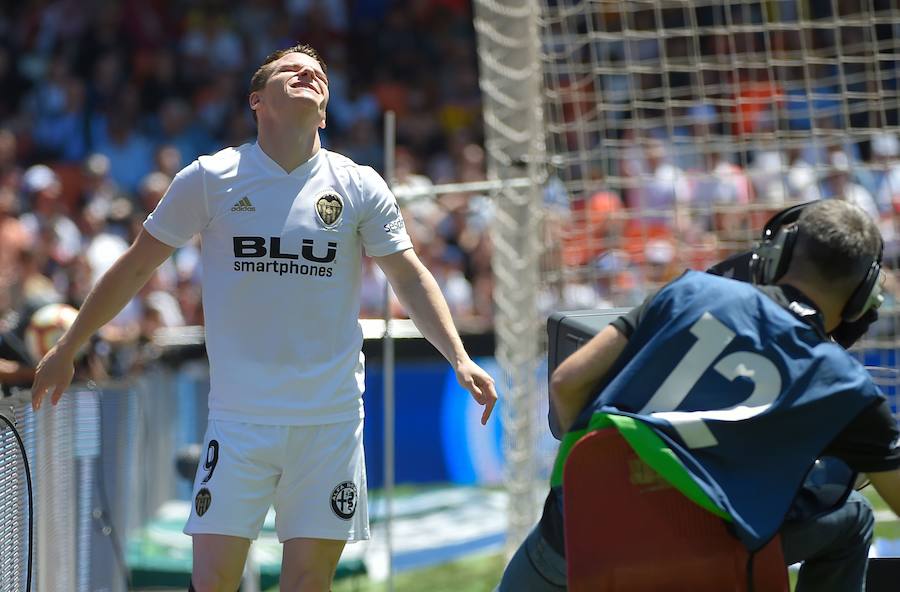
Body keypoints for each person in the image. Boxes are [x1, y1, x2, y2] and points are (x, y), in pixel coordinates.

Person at [31, 43, 498, 592]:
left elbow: (410, 276)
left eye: (318, 74)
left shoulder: (359, 185)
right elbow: (135, 268)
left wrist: (460, 357)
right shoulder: (210, 178)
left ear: (324, 110)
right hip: (239, 420)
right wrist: (67, 348)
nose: (308, 75)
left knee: (307, 583)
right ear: (257, 99)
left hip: (329, 420)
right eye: (290, 70)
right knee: (214, 581)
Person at [497, 200, 900, 592]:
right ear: (864, 294)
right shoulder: (844, 383)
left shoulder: (689, 291)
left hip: (580, 538)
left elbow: (568, 382)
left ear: (778, 254)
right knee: (855, 517)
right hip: (709, 558)